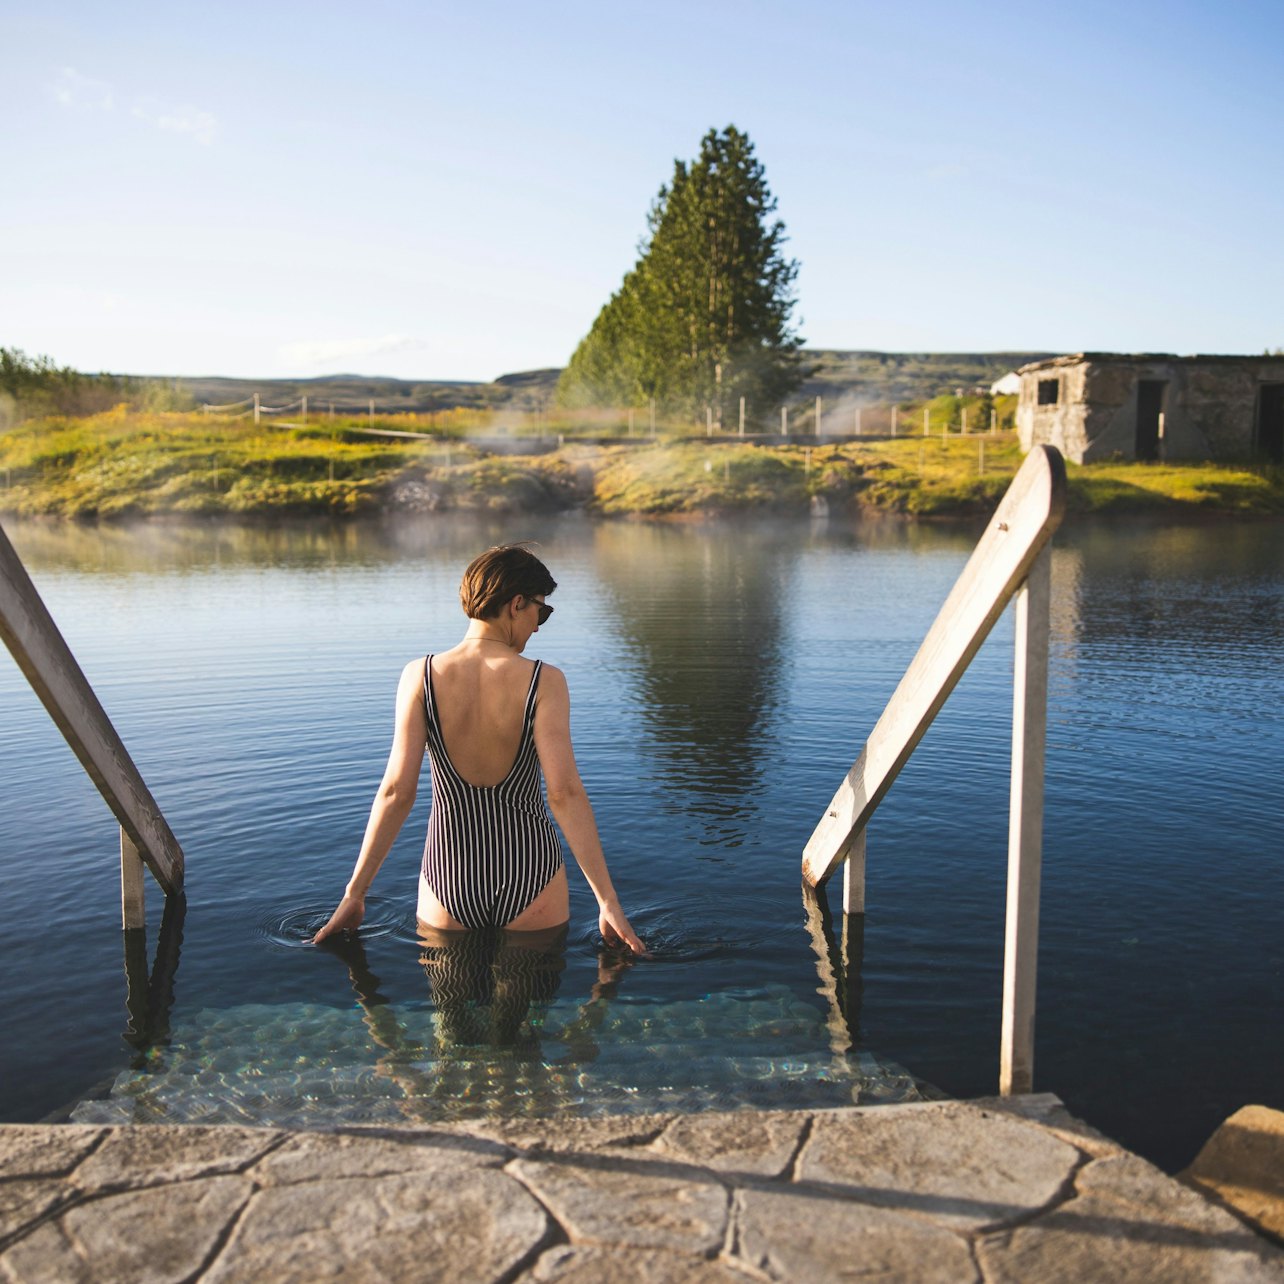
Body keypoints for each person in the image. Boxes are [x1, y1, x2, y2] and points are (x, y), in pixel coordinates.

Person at [313, 543, 646, 956]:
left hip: (447, 878)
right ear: (516, 603)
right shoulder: (544, 681)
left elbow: (396, 792)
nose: (538, 627)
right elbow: (564, 794)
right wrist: (608, 901)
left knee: (451, 1019)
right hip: (533, 876)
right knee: (527, 1016)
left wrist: (355, 894)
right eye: (541, 612)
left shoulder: (419, 676)